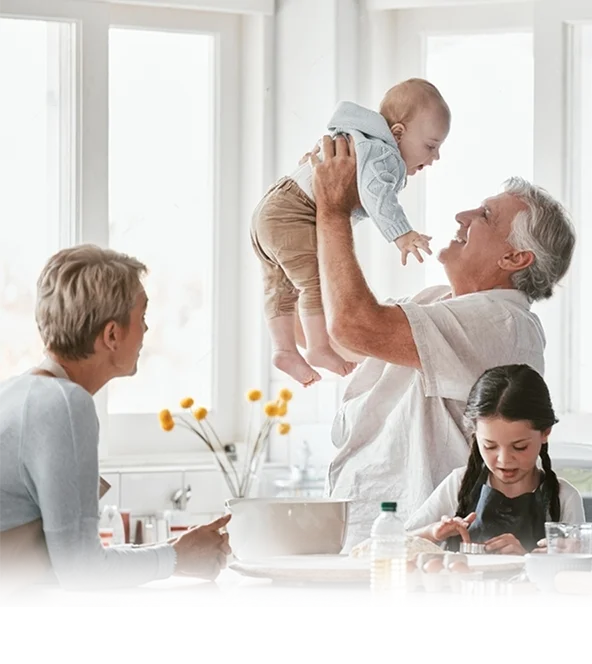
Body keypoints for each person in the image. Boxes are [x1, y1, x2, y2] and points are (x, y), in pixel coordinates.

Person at [308, 134, 577, 552]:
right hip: (374, 544)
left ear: (515, 258)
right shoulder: (437, 301)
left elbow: (352, 324)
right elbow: (337, 336)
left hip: (424, 552)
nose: (462, 215)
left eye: (485, 215)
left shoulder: (500, 323)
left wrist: (333, 211)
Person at [0, 245, 231, 602]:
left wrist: (168, 551)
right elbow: (80, 571)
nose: (146, 330)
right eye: (143, 317)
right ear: (111, 335)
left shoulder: (16, 393)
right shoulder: (64, 403)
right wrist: (175, 557)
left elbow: (56, 564)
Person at [250, 78, 451, 387]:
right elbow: (377, 196)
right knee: (315, 282)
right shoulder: (384, 154)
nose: (434, 158)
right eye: (430, 146)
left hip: (270, 210)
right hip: (296, 213)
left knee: (279, 285)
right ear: (398, 133)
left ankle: (283, 349)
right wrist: (402, 233)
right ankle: (318, 348)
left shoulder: (355, 137)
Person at [404, 364, 585, 555]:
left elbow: (578, 572)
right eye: (490, 446)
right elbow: (393, 545)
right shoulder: (458, 484)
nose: (504, 460)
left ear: (545, 432)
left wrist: (526, 558)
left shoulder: (564, 498)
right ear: (475, 434)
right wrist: (433, 533)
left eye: (520, 447)